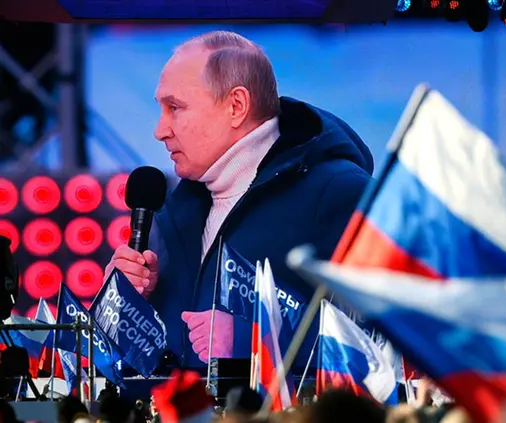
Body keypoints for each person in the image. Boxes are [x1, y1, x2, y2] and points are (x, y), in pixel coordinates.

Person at [104, 30, 374, 368]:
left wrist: (255, 339)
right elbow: (148, 355)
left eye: (175, 107)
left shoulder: (340, 190)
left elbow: (390, 340)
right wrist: (128, 304)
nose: (160, 130)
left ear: (236, 106)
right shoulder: (175, 209)